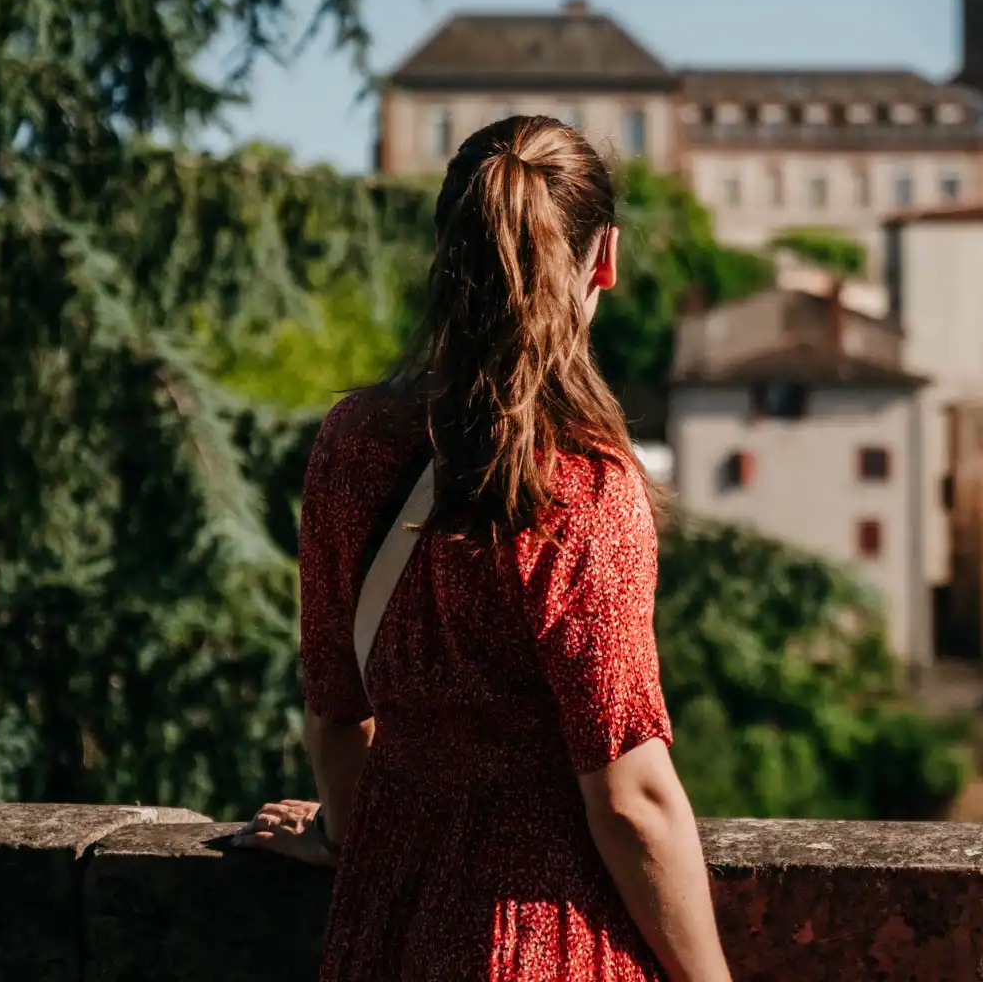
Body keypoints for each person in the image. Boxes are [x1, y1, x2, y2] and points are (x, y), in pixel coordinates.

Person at [235, 116, 731, 982]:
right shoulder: (583, 481)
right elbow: (631, 797)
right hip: (545, 942)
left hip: (386, 924)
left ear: (441, 250)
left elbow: (336, 713)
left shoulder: (352, 441)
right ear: (603, 258)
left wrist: (351, 836)